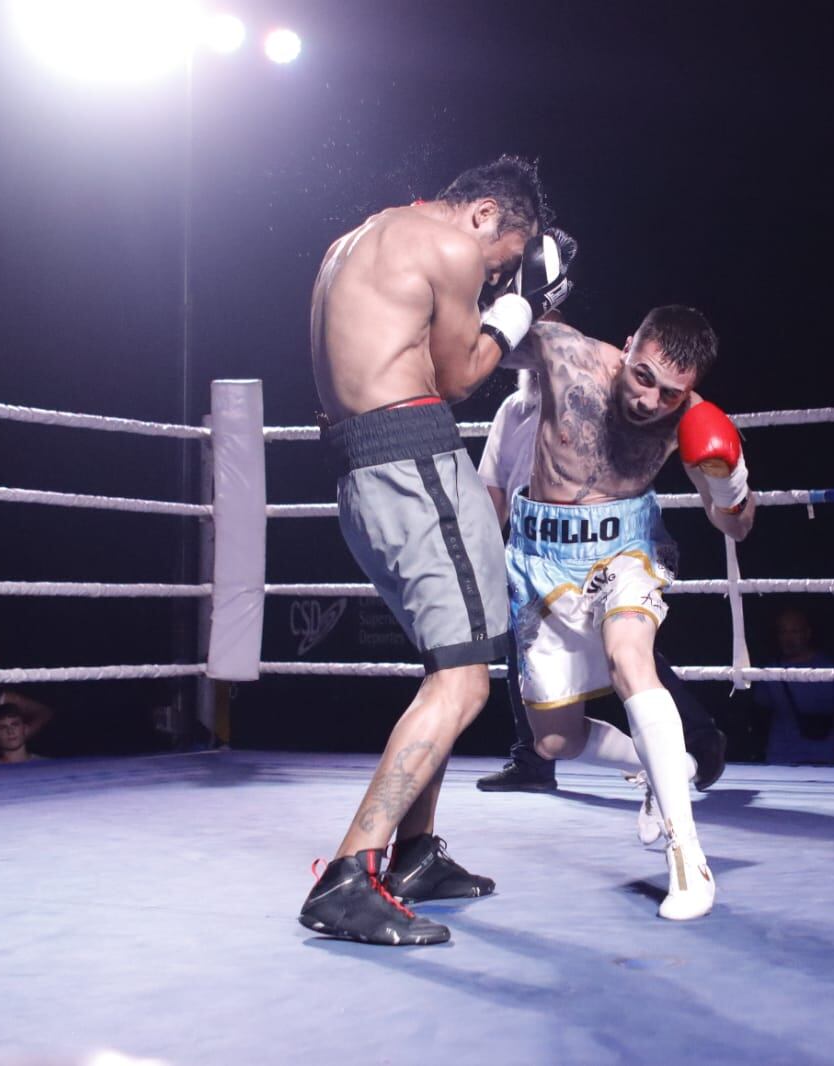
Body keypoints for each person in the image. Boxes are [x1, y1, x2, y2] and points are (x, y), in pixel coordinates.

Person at [299, 156, 576, 947]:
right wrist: (517, 311)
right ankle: (350, 874)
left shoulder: (354, 240)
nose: (486, 277)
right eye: (497, 261)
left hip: (362, 470)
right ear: (485, 215)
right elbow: (458, 377)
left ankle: (416, 853)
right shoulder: (448, 244)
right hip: (412, 461)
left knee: (447, 662)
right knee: (464, 684)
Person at [506, 306, 755, 921]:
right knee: (556, 741)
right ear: (627, 346)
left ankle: (688, 856)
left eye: (671, 392)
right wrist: (503, 303)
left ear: (689, 388)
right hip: (541, 557)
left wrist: (730, 485)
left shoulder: (692, 422)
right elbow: (466, 352)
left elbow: (737, 528)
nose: (650, 401)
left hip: (628, 549)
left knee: (629, 656)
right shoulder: (567, 356)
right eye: (643, 377)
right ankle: (657, 764)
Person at [473, 371, 728, 795]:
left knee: (627, 653)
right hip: (531, 555)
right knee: (528, 653)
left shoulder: (598, 403)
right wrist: (483, 560)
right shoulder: (512, 410)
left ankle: (699, 739)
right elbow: (494, 491)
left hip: (599, 551)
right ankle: (533, 758)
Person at [752, 607, 834, 765]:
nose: (788, 638)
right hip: (779, 758)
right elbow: (760, 712)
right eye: (783, 632)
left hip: (824, 758)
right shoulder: (769, 672)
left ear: (807, 633)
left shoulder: (832, 670)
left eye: (794, 632)